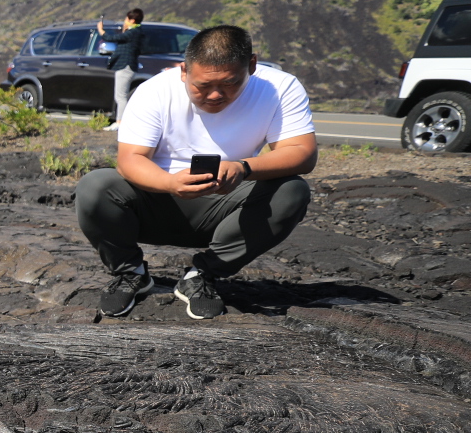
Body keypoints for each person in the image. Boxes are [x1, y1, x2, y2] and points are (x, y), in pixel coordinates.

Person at [75, 24, 316, 321]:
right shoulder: (155, 90)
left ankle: (202, 275)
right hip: (157, 200)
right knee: (95, 185)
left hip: (225, 207)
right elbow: (129, 160)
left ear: (252, 65)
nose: (215, 95)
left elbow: (302, 153)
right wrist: (169, 182)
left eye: (229, 84)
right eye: (201, 86)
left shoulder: (280, 88)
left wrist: (243, 168)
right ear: (183, 71)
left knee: (292, 190)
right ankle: (130, 273)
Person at [106, 8, 146, 123]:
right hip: (130, 66)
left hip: (125, 66)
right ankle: (121, 121)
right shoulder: (136, 32)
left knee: (121, 97)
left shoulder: (133, 33)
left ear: (132, 20)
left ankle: (120, 122)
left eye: (127, 19)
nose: (125, 21)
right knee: (121, 96)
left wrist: (101, 30)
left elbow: (112, 38)